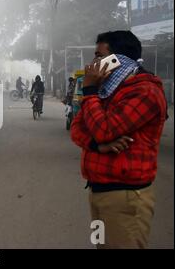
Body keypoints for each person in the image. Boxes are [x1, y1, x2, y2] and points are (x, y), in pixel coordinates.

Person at [71, 31, 168, 249]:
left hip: (124, 198)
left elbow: (105, 129)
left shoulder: (145, 91)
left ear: (118, 60)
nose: (93, 64)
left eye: (99, 56)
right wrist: (98, 145)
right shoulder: (107, 92)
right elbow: (77, 128)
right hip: (99, 193)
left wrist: (89, 90)